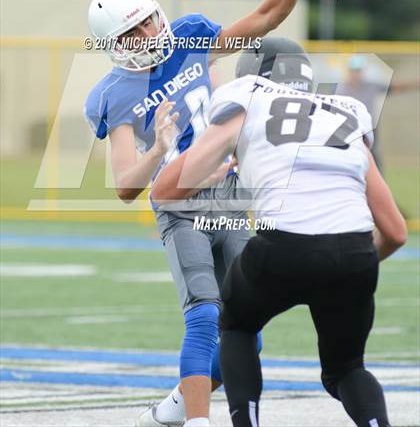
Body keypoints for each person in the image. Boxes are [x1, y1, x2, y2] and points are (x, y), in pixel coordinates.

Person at [84, 0, 346, 427]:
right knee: (205, 315)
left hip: (228, 198)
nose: (146, 36)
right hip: (179, 203)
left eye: (147, 22)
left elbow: (263, 19)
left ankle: (173, 410)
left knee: (248, 330)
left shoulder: (189, 36)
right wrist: (159, 146)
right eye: (131, 34)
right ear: (112, 46)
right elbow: (125, 185)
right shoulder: (114, 93)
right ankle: (199, 422)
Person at [151, 38, 407, 427]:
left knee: (235, 328)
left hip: (282, 245)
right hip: (354, 251)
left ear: (252, 74)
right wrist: (344, 260)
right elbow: (395, 231)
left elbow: (165, 191)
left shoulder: (247, 99)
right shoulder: (345, 112)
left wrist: (207, 162)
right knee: (347, 369)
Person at [336, 54, 420, 170]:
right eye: (353, 70)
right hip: (349, 127)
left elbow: (395, 87)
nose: (356, 74)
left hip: (369, 127)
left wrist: (415, 83)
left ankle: (377, 180)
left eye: (358, 70)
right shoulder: (341, 89)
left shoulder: (371, 86)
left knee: (373, 155)